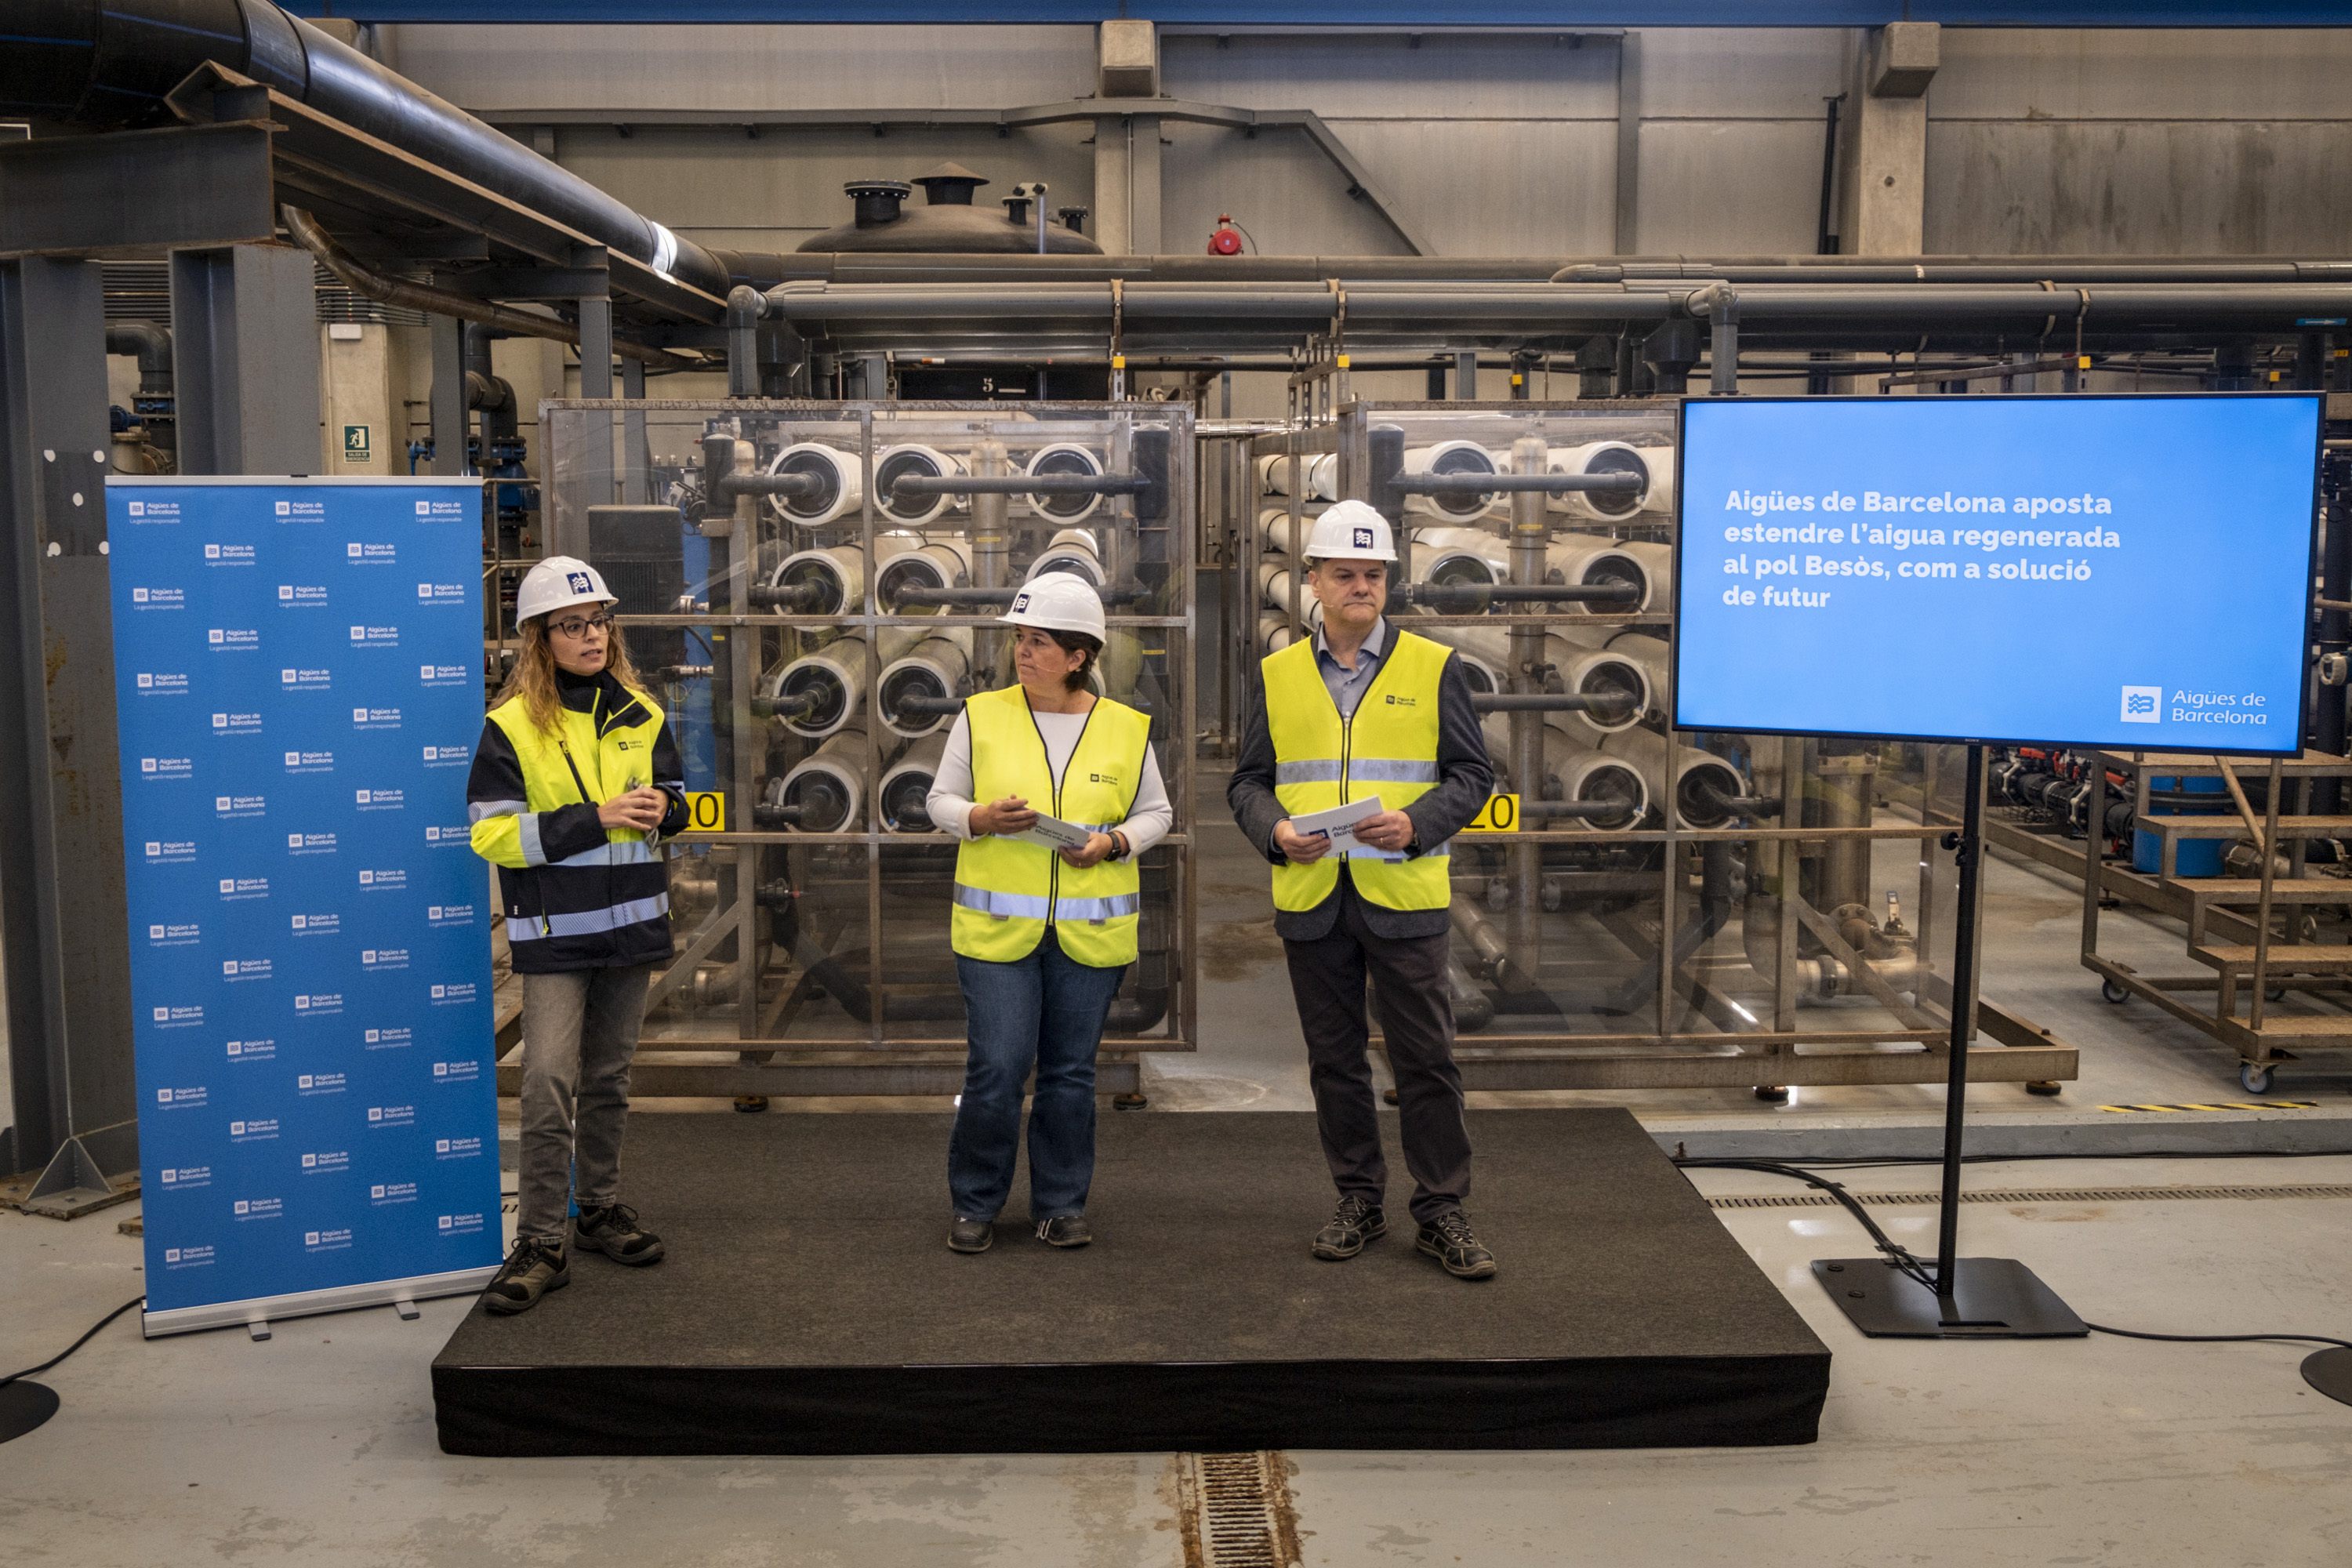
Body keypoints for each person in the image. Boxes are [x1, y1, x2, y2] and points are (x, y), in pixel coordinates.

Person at [1227, 500, 1500, 1280]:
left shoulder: (1434, 666)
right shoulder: (1279, 675)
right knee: (1334, 1060)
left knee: (1425, 1059)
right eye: (1344, 573)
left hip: (1404, 895)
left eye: (1373, 573)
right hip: (1314, 897)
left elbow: (1474, 774)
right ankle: (1358, 1198)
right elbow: (1248, 781)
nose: (1361, 585)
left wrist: (1415, 823)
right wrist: (1274, 830)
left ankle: (1443, 1208)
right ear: (1312, 579)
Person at [927, 572, 1173, 1254]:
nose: (1024, 653)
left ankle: (1061, 1204)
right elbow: (939, 801)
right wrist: (979, 816)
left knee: (1070, 1074)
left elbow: (1159, 813)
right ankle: (975, 1202)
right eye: (1020, 640)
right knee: (998, 1068)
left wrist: (1116, 841)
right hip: (997, 934)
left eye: (1040, 642)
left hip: (1089, 936)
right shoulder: (981, 716)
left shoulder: (1126, 729)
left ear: (1078, 656)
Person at [466, 556, 687, 1314]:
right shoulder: (511, 728)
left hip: (633, 931)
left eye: (598, 622)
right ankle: (539, 1240)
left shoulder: (643, 713)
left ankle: (597, 1210)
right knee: (547, 1083)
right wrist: (593, 818)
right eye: (572, 626)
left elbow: (687, 802)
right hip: (558, 937)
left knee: (608, 1081)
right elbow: (491, 836)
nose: (591, 635)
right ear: (538, 638)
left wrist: (672, 811)